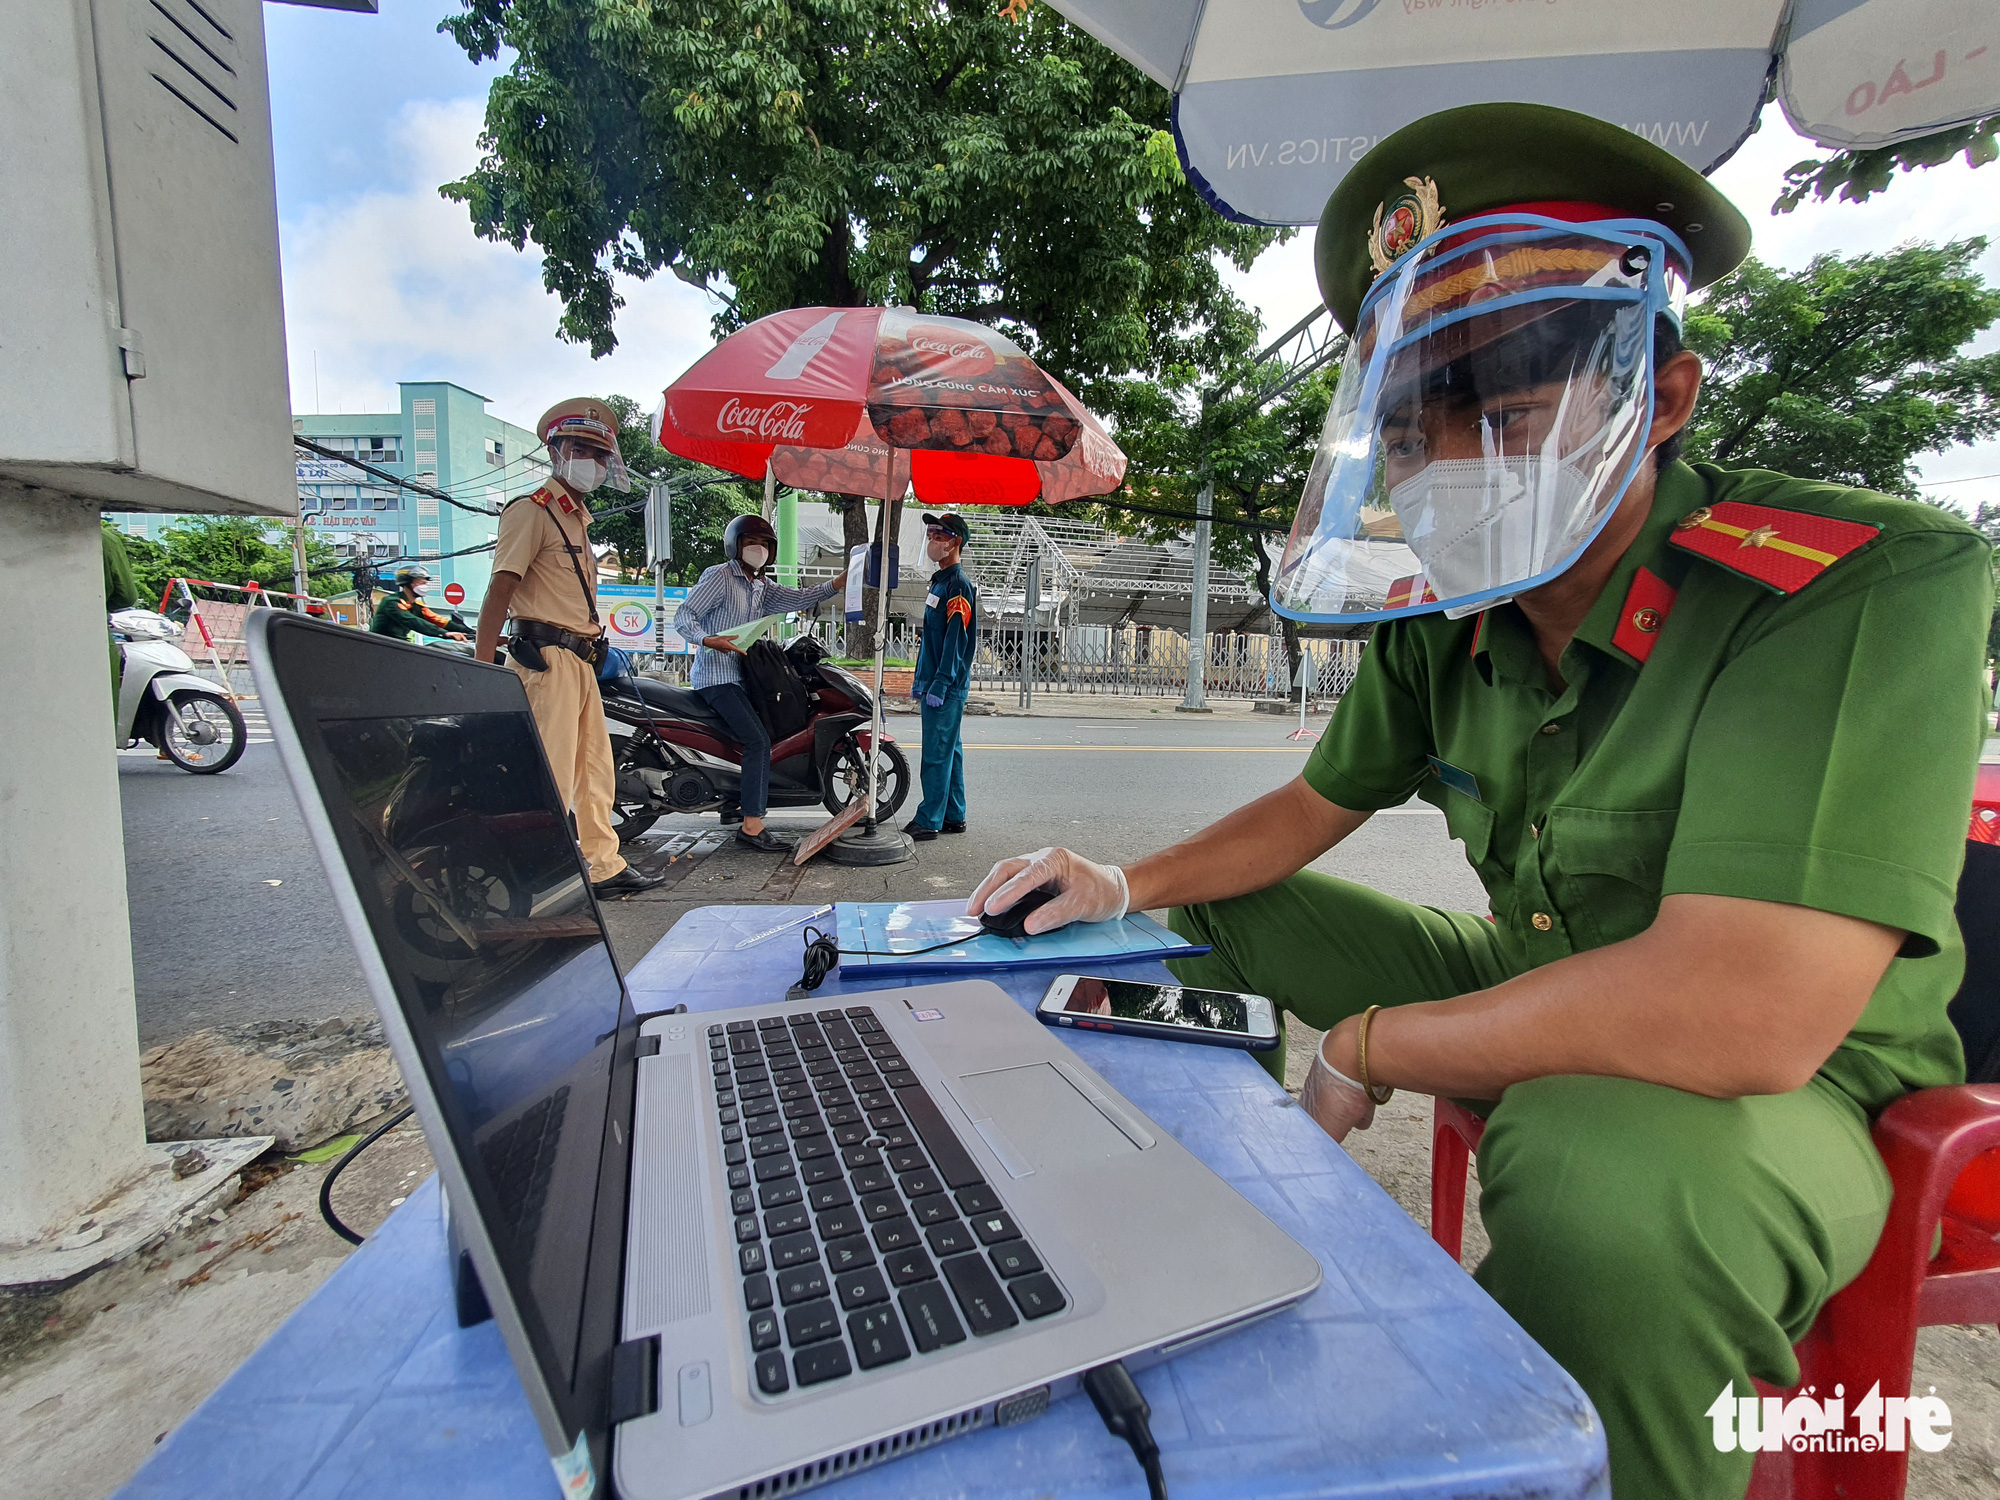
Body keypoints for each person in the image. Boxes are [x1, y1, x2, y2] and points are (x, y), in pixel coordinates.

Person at [968, 103, 1990, 1500]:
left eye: (1503, 420)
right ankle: (1196, 1259)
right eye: (1410, 439)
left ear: (1661, 399)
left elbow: (1746, 1009)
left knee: (1599, 1184)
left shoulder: (1847, 584)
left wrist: (1375, 1040)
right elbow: (1308, 811)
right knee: (1190, 926)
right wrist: (1125, 882)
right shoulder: (1446, 616)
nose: (1452, 475)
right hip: (1532, 977)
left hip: (1799, 1088)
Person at [475, 397, 661, 898]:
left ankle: (603, 865)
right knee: (551, 772)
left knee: (595, 771)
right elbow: (501, 589)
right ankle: (539, 868)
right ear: (555, 451)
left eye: (600, 454)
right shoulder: (530, 511)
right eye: (581, 449)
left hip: (580, 661)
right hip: (545, 658)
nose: (592, 462)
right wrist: (482, 669)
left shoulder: (576, 518)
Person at [674, 514, 847, 851]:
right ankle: (752, 825)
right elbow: (685, 615)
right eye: (751, 542)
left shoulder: (760, 587)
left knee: (765, 731)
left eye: (764, 544)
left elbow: (798, 597)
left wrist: (837, 584)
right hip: (716, 677)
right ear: (735, 546)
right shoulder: (721, 577)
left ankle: (735, 801)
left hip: (742, 677)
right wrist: (707, 640)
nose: (758, 549)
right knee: (757, 742)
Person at [903, 512, 977, 840]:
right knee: (950, 750)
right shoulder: (940, 581)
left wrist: (940, 683)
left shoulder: (958, 585)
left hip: (945, 685)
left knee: (936, 752)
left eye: (939, 536)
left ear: (955, 542)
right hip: (935, 681)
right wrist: (923, 680)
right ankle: (953, 814)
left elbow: (955, 640)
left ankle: (929, 818)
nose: (932, 541)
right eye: (931, 534)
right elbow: (933, 638)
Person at [369, 566, 468, 642]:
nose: (425, 586)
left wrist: (469, 631)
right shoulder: (392, 602)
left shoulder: (416, 606)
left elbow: (438, 620)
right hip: (381, 647)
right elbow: (414, 622)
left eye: (425, 583)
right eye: (421, 583)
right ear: (407, 583)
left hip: (399, 646)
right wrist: (445, 634)